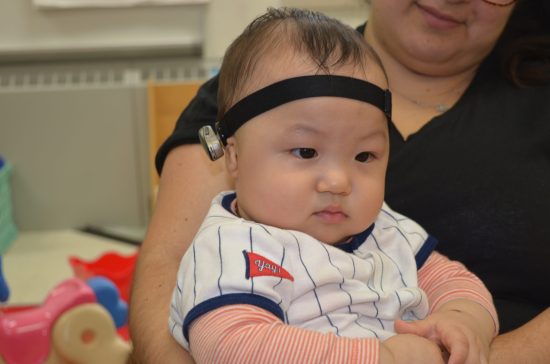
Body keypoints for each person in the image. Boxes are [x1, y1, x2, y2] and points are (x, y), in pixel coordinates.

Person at [129, 0, 550, 363]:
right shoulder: (231, 249)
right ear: (234, 155)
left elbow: (451, 279)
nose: (338, 180)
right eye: (306, 153)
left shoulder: (381, 228)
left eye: (365, 156)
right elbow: (233, 345)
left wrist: (465, 320)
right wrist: (379, 358)